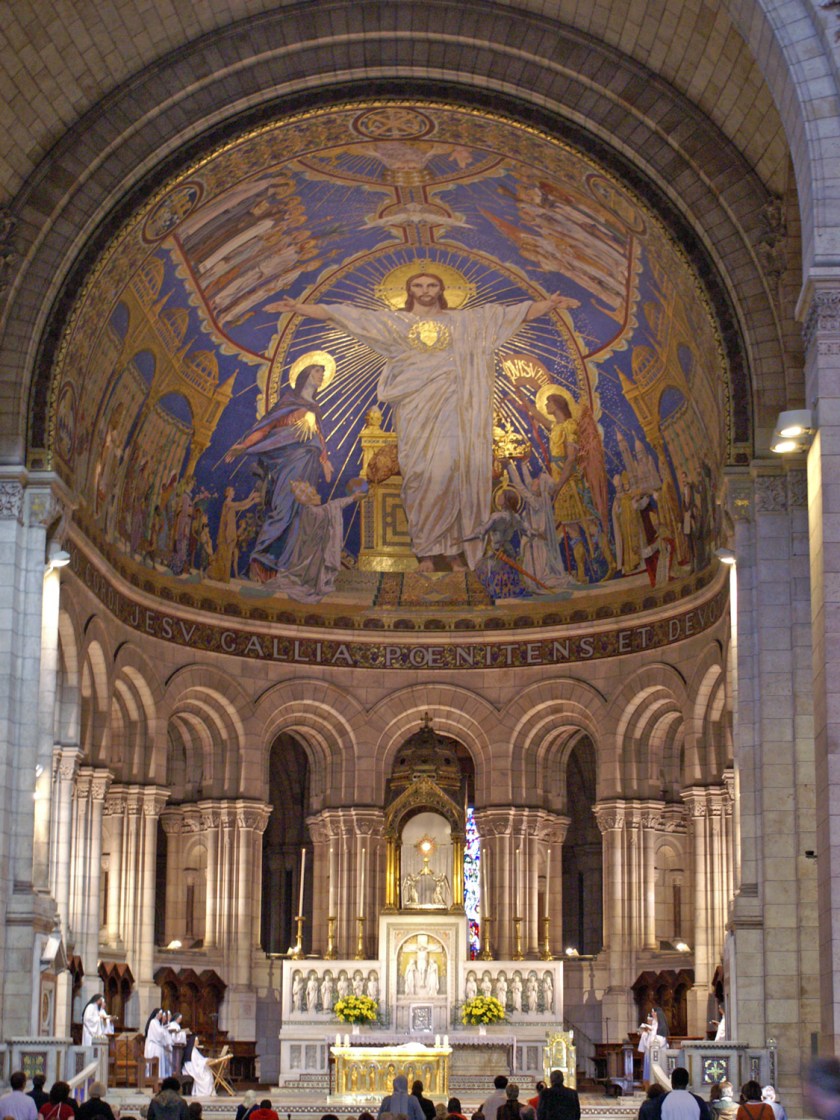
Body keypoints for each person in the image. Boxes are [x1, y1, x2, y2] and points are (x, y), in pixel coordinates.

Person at [276, 277, 577, 572]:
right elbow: (352, 317)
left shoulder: (464, 322)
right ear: (408, 291)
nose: (425, 291)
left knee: (451, 473)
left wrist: (548, 305)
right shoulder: (396, 324)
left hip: (451, 411)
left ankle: (455, 549)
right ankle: (426, 551)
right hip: (414, 412)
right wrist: (303, 309)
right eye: (418, 286)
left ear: (442, 289)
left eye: (431, 285)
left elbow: (507, 316)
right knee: (419, 474)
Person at [223, 362, 335, 583]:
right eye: (317, 371)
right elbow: (266, 428)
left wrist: (324, 460)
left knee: (299, 516)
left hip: (308, 464)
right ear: (305, 374)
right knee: (283, 510)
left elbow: (318, 437)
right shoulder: (288, 402)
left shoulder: (315, 408)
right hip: (287, 462)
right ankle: (260, 562)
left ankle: (284, 569)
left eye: (323, 373)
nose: (321, 375)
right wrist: (244, 445)